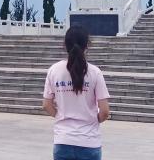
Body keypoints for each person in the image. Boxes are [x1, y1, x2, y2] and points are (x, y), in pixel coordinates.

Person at [42, 25, 111, 160]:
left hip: (63, 141)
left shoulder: (54, 70)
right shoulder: (95, 72)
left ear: (65, 45)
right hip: (89, 142)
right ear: (87, 46)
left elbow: (46, 105)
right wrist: (92, 121)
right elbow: (104, 111)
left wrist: (61, 116)